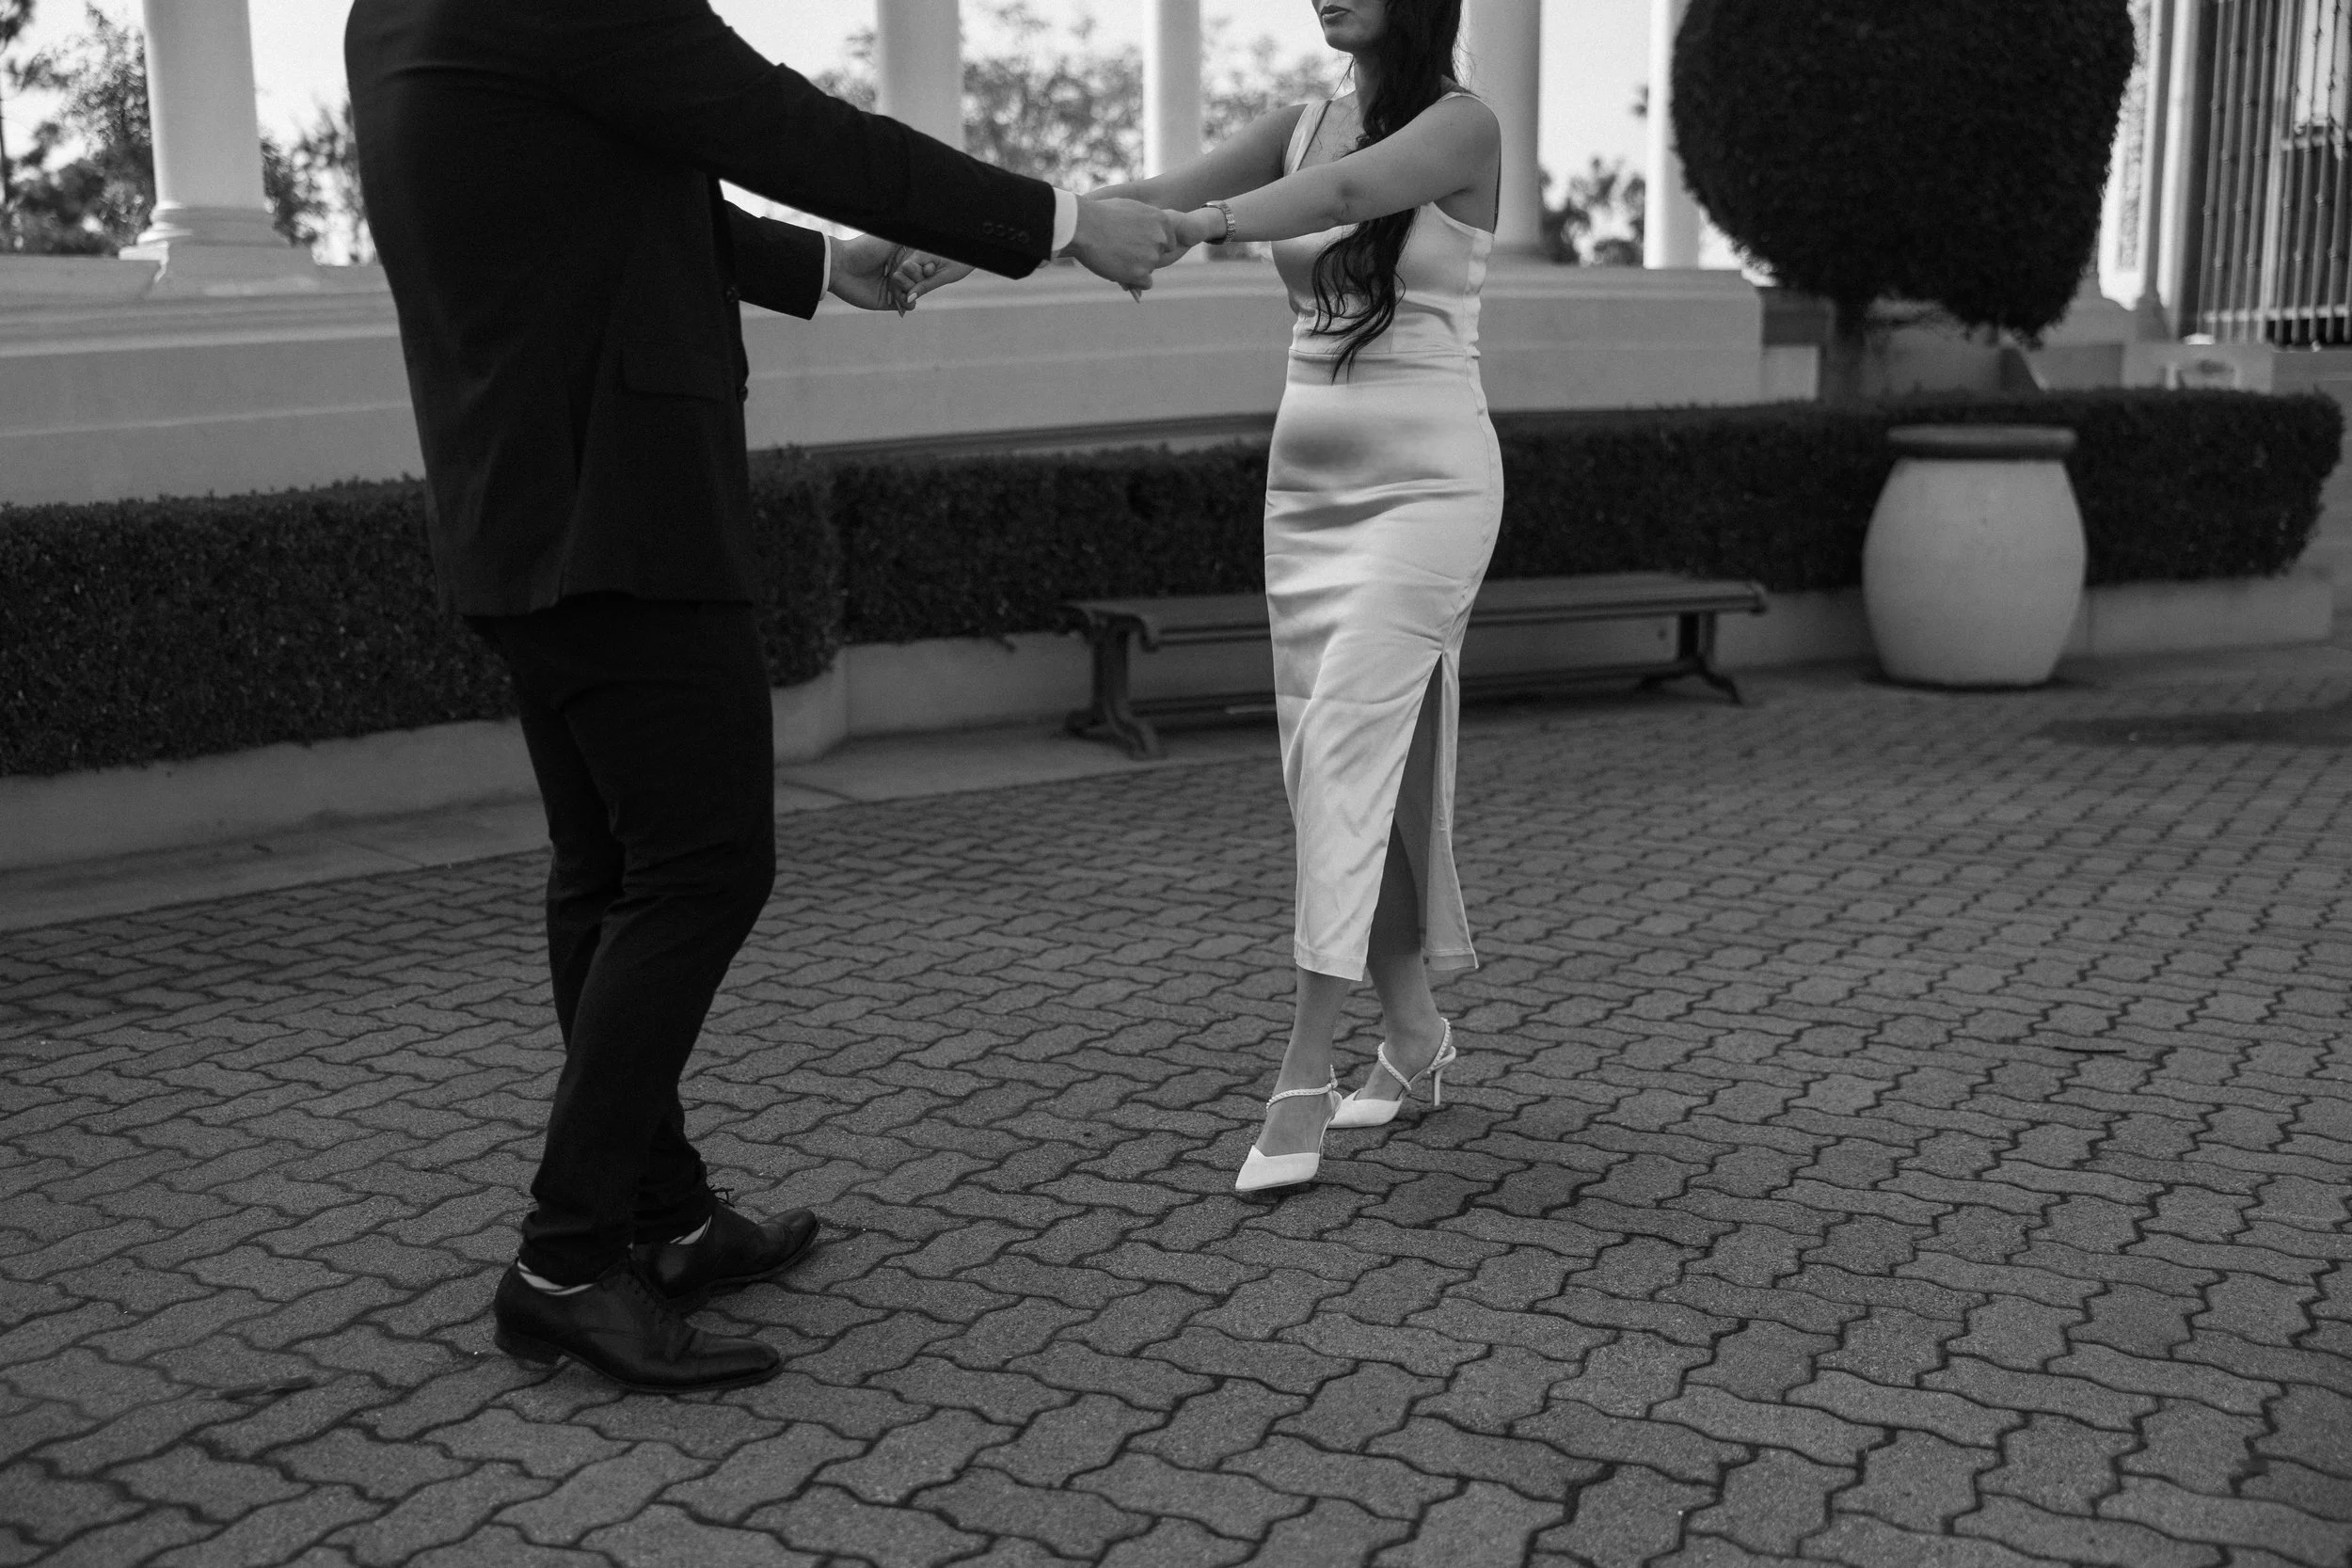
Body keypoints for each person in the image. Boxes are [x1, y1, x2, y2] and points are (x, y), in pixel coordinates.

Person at [346, 0, 1183, 1394]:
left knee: (608, 870)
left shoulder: (397, 14)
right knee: (704, 866)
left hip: (516, 498)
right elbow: (786, 125)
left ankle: (664, 1219)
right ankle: (565, 1264)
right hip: (624, 502)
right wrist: (1063, 220)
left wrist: (819, 266)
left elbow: (579, 192)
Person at [1091, 0, 1502, 1191]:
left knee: (1343, 753)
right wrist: (976, 239)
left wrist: (1202, 225)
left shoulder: (1461, 125)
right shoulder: (1297, 122)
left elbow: (1344, 195)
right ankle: (1414, 1031)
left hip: (1427, 488)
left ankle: (1303, 1070)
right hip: (1307, 497)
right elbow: (1144, 190)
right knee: (1332, 772)